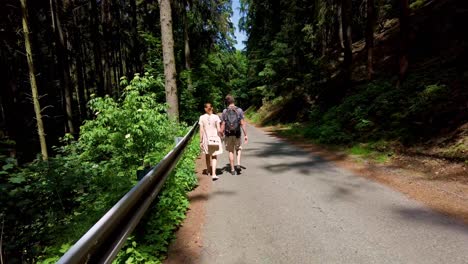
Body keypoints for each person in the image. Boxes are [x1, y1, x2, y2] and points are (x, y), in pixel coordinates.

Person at [220, 95, 248, 175]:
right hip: (237, 133)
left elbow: (223, 124)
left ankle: (232, 169)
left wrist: (221, 133)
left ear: (227, 102)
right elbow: (242, 123)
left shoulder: (225, 111)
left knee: (230, 151)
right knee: (238, 149)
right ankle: (238, 164)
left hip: (228, 134)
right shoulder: (239, 110)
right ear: (233, 101)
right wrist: (246, 135)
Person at [199, 103, 223, 180]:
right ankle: (214, 174)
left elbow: (201, 130)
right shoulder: (216, 117)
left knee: (207, 155)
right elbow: (219, 130)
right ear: (212, 108)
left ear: (205, 109)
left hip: (206, 140)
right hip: (214, 139)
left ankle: (208, 171)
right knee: (214, 156)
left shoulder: (202, 117)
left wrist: (201, 141)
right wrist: (221, 135)